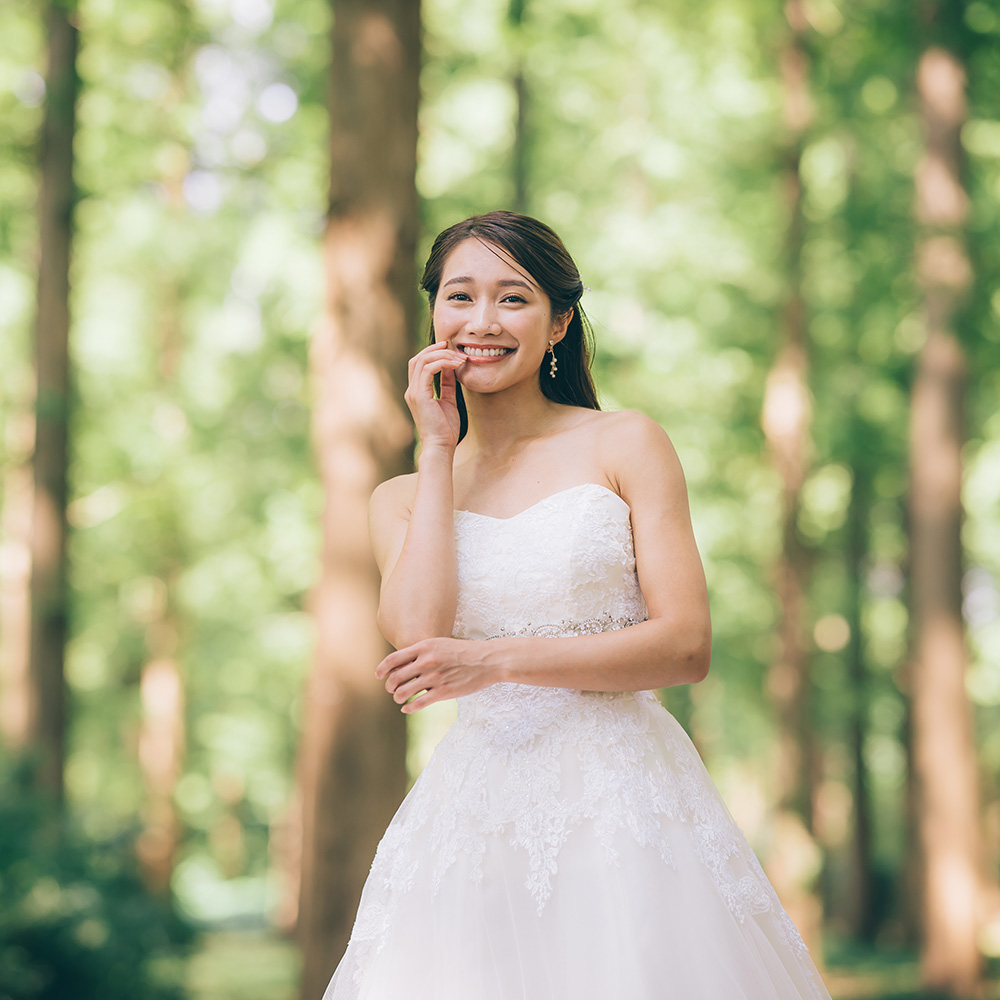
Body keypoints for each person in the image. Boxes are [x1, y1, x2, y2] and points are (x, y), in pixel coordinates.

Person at [321, 211, 832, 999]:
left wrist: (493, 660)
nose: (482, 322)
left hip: (620, 806)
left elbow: (685, 647)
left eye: (513, 299)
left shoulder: (624, 444)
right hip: (471, 818)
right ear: (433, 314)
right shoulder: (401, 494)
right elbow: (419, 639)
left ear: (559, 321)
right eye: (460, 296)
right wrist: (433, 449)